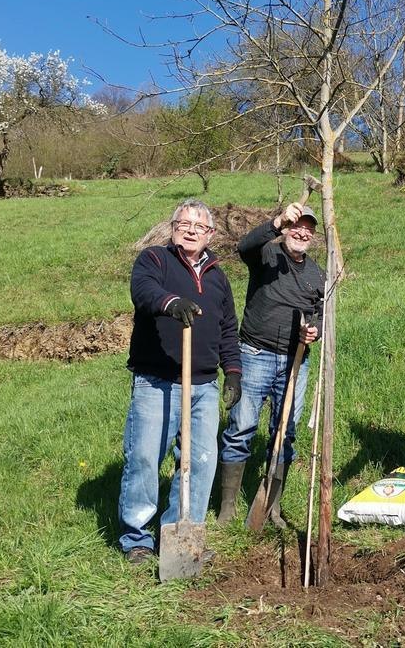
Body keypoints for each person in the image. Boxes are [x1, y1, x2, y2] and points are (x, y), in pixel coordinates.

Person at [118, 198, 242, 563]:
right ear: (173, 228)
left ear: (211, 234)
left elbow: (227, 329)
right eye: (182, 223)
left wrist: (232, 371)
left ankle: (183, 535)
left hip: (203, 386)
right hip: (156, 381)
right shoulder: (154, 260)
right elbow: (143, 291)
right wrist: (170, 302)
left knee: (201, 462)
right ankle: (137, 539)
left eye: (198, 226)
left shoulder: (218, 276)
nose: (189, 230)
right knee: (144, 456)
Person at [217, 201, 325, 528]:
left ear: (313, 236)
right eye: (297, 225)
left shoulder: (317, 273)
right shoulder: (266, 255)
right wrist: (276, 222)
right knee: (241, 429)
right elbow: (243, 246)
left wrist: (315, 330)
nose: (302, 231)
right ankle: (227, 508)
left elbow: (320, 311)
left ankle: (272, 506)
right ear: (288, 228)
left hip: (295, 361)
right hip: (254, 354)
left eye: (308, 228)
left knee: (285, 434)